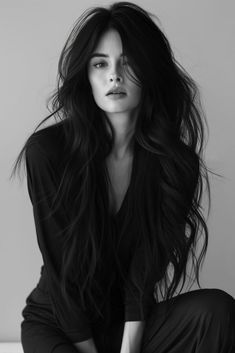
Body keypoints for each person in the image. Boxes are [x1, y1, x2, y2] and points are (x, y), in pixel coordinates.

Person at [11, 2, 235, 352]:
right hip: (60, 326)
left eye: (128, 63)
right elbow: (63, 278)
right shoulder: (49, 152)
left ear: (150, 72)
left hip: (127, 326)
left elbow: (142, 279)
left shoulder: (175, 165)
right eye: (100, 63)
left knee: (217, 310)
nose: (114, 75)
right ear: (85, 75)